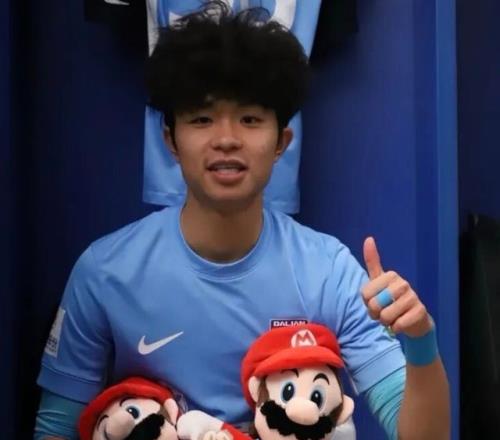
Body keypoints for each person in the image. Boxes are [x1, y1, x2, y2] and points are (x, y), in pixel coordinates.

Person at [34, 2, 450, 439]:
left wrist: (421, 341)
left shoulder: (329, 272)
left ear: (281, 142)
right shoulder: (104, 273)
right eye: (202, 119)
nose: (227, 139)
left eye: (250, 119)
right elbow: (55, 430)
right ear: (170, 140)